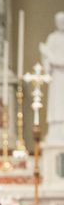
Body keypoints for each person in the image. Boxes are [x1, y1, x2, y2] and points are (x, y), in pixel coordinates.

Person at [40, 11, 64, 143]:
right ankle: (56, 130)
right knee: (57, 104)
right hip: (57, 78)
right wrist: (48, 59)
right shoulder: (52, 38)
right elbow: (47, 62)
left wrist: (56, 60)